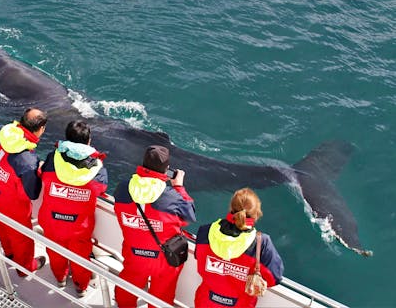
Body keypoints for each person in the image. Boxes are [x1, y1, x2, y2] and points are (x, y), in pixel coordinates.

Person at [114, 145, 196, 308]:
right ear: (166, 170)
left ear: (143, 164)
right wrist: (179, 187)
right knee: (161, 295)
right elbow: (189, 217)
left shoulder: (123, 188)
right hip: (163, 259)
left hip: (134, 253)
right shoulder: (172, 197)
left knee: (127, 286)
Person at [38, 120, 108, 297]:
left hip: (52, 220)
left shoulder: (52, 158)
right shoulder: (97, 169)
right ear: (89, 141)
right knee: (80, 257)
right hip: (79, 226)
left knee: (55, 251)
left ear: (67, 139)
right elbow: (101, 189)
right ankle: (80, 287)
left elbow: (43, 174)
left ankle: (60, 278)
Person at [0, 108, 47, 276]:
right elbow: (32, 193)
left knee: (1, 226)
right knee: (21, 238)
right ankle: (25, 268)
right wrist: (37, 171)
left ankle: (9, 253)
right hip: (12, 206)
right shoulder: (27, 161)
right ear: (41, 129)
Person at [194, 187, 284, 308]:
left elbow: (198, 256)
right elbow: (274, 278)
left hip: (205, 301)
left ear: (231, 209)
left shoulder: (206, 232)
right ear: (256, 214)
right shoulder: (261, 243)